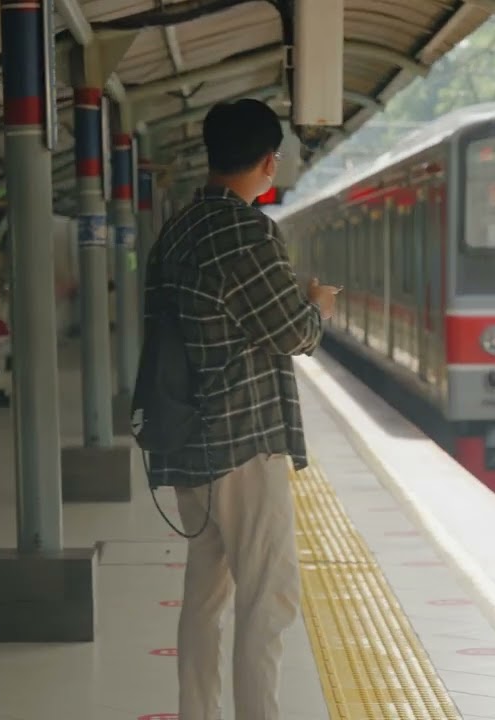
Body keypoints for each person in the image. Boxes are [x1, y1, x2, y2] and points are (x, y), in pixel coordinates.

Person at [142, 98, 339, 720]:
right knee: (268, 598)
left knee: (204, 599)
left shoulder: (176, 230)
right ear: (267, 161)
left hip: (189, 442)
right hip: (242, 442)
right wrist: (318, 307)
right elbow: (292, 334)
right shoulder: (245, 232)